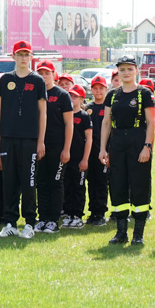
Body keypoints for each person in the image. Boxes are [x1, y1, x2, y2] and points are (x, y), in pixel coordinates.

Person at [99, 55, 155, 245]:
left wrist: (147, 147)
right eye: (122, 70)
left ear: (136, 71)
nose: (126, 73)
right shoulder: (112, 95)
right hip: (117, 142)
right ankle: (121, 232)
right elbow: (106, 123)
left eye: (129, 69)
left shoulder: (144, 93)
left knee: (139, 185)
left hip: (138, 140)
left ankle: (138, 234)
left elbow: (150, 123)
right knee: (117, 185)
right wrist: (102, 149)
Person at [0, 40, 47, 239]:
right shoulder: (5, 79)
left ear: (31, 57)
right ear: (13, 57)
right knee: (9, 181)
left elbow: (43, 113)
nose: (23, 58)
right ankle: (10, 223)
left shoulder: (37, 81)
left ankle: (30, 223)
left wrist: (40, 140)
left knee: (29, 182)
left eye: (27, 55)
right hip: (8, 138)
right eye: (20, 54)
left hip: (30, 139)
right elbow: (0, 110)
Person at [34, 60, 73, 233]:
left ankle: (53, 220)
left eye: (47, 73)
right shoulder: (34, 94)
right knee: (41, 182)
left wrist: (66, 149)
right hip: (39, 145)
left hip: (57, 146)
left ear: (53, 75)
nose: (43, 77)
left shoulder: (62, 95)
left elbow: (69, 124)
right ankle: (42, 218)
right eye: (40, 74)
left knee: (55, 182)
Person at [62, 84, 92, 229]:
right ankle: (69, 214)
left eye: (75, 96)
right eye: (70, 95)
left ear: (81, 99)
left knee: (79, 188)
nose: (72, 98)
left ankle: (78, 216)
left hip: (79, 159)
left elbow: (89, 138)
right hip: (66, 158)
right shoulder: (64, 114)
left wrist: (85, 159)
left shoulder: (84, 116)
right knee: (67, 187)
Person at [85, 75, 109, 226]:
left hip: (103, 151)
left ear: (106, 89)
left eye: (101, 88)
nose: (98, 91)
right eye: (95, 88)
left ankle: (100, 213)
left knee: (101, 182)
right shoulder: (87, 108)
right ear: (91, 90)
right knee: (91, 181)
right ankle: (92, 212)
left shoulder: (109, 107)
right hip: (89, 152)